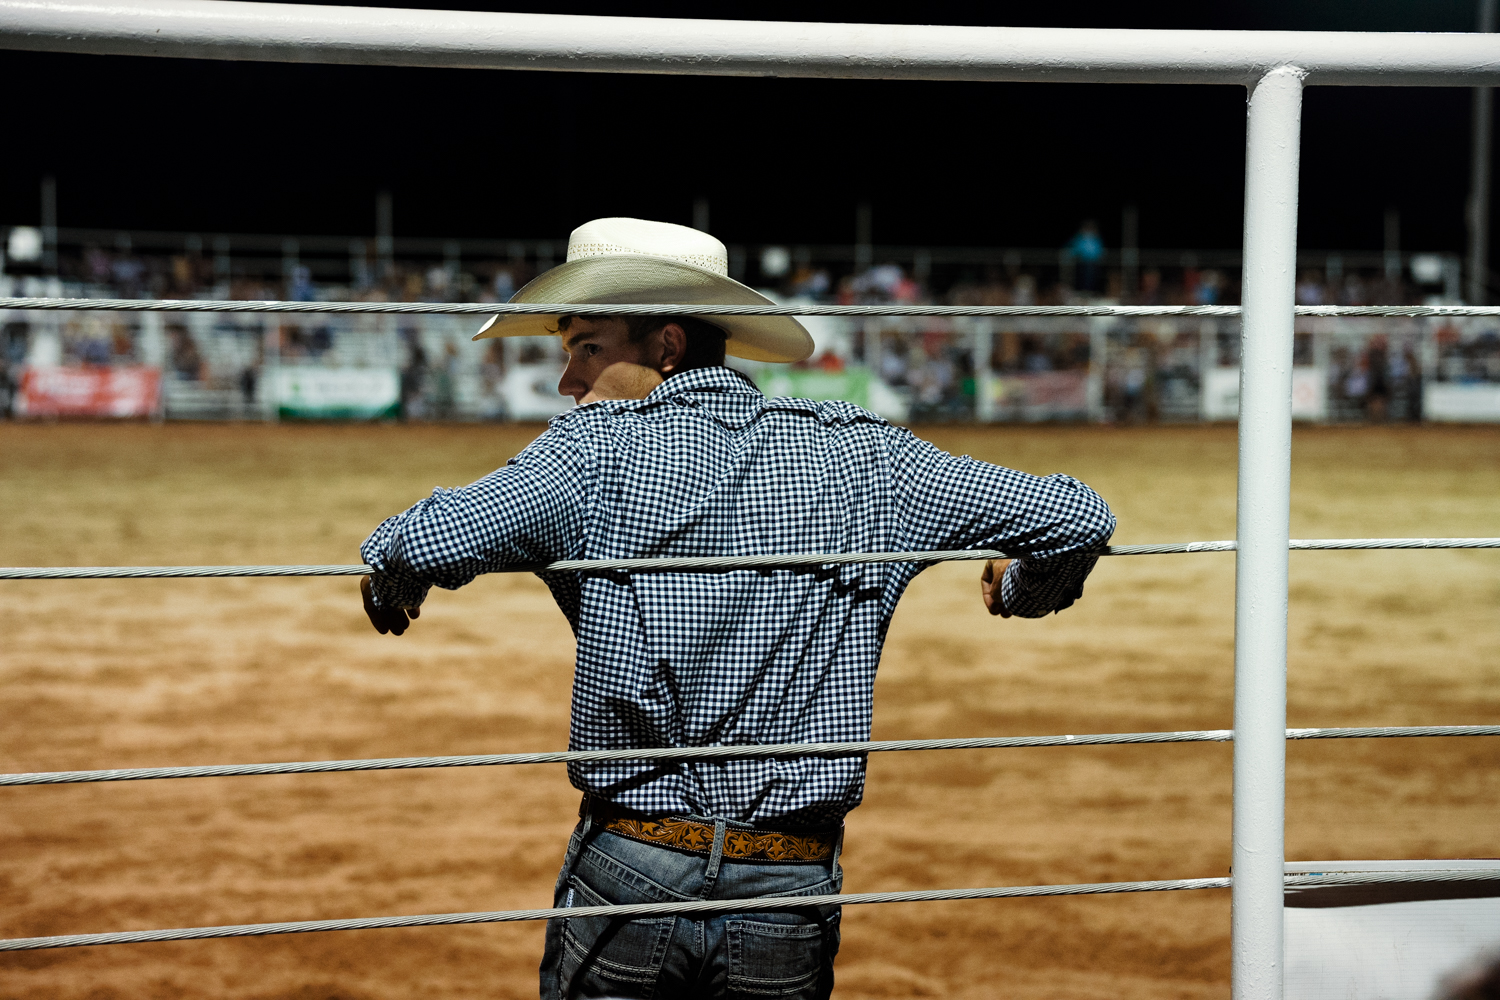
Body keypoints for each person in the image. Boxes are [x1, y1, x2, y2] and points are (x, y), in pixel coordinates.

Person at [357, 217, 1115, 1000]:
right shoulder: (866, 456)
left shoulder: (591, 452)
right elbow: (1078, 518)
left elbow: (422, 540)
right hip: (787, 882)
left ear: (667, 346)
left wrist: (396, 583)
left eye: (586, 348)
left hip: (633, 865)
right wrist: (1021, 591)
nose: (567, 381)